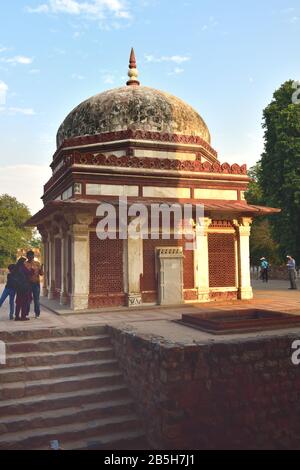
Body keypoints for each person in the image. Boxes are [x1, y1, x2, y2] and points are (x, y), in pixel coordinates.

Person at [25, 250, 43, 319]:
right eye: (28, 256)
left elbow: (41, 274)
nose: (30, 257)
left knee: (36, 299)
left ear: (33, 256)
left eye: (31, 256)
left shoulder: (37, 263)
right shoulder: (25, 264)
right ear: (27, 256)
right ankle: (26, 312)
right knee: (28, 299)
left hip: (36, 284)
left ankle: (37, 313)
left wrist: (41, 268)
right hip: (28, 284)